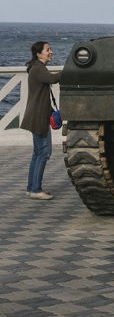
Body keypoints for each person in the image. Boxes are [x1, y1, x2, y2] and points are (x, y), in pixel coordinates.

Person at [21, 41, 61, 200]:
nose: (51, 52)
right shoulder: (38, 68)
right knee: (44, 153)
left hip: (36, 115)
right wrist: (70, 71)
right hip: (38, 117)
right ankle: (36, 190)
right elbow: (52, 79)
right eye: (47, 50)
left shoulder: (36, 68)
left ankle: (31, 189)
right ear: (39, 54)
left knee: (37, 153)